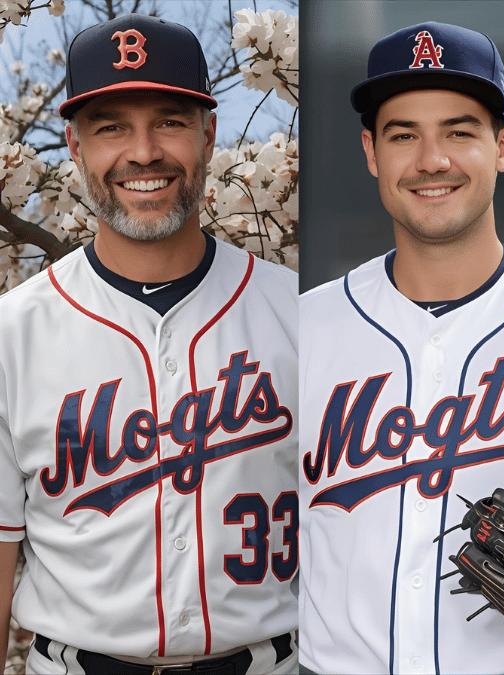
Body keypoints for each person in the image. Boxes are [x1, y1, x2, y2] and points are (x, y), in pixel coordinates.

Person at [297, 21, 504, 675]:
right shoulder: (301, 330)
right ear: (371, 152)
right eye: (404, 134)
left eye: (459, 132)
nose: (431, 159)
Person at [0, 14, 299, 675]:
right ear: (75, 149)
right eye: (111, 127)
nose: (143, 151)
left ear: (209, 133)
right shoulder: (12, 334)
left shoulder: (302, 316)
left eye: (169, 119)